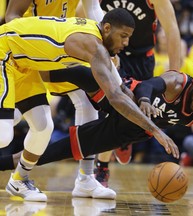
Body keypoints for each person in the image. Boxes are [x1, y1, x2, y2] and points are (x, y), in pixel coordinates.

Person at [12, 55, 193, 209]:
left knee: (58, 151)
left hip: (132, 129)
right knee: (80, 73)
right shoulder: (178, 82)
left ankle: (7, 162)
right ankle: (20, 71)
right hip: (122, 96)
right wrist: (144, 102)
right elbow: (149, 86)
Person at [0, 9, 176, 202]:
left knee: (43, 127)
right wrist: (155, 129)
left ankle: (18, 180)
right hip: (5, 52)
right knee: (4, 135)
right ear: (107, 28)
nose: (126, 43)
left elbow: (119, 88)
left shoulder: (96, 37)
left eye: (129, 38)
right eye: (123, 36)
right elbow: (116, 97)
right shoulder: (93, 46)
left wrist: (136, 101)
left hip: (27, 66)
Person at [4, 0, 117, 199]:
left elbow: (92, 9)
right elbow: (11, 16)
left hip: (60, 49)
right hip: (27, 49)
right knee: (9, 122)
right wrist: (35, 44)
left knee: (85, 100)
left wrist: (106, 44)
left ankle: (85, 178)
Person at [89, 0, 182, 186]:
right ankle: (102, 166)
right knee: (113, 108)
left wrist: (175, 77)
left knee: (138, 108)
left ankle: (124, 141)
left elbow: (172, 32)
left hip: (142, 59)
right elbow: (80, 15)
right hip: (109, 53)